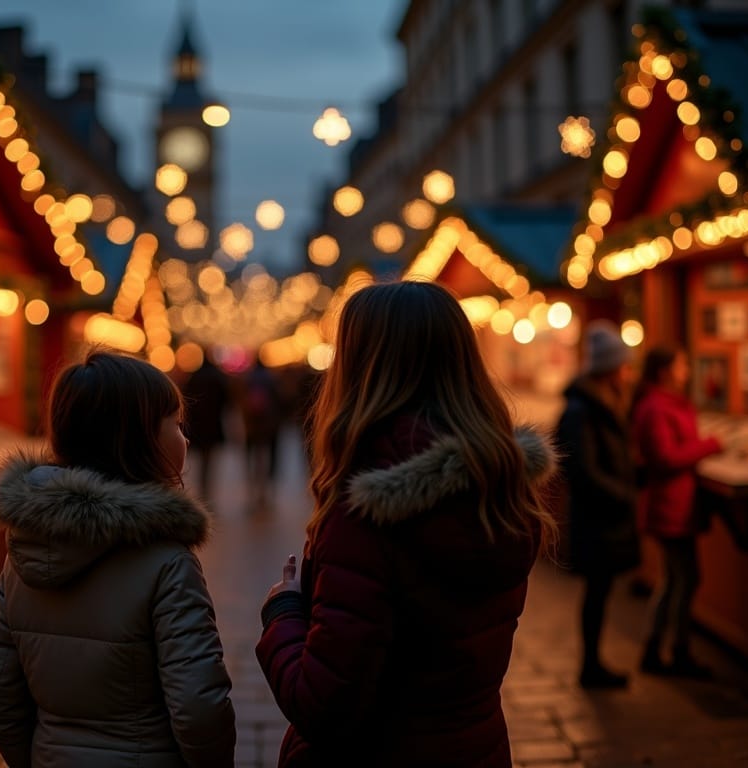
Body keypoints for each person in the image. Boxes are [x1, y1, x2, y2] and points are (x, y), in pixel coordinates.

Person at [255, 281, 559, 767]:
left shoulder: (367, 518)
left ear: (358, 371)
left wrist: (283, 614)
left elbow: (324, 706)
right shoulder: (501, 491)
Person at [0, 347, 236, 768]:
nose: (185, 438)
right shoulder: (167, 562)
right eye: (177, 424)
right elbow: (199, 709)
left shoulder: (21, 554)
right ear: (138, 440)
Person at [555, 319, 640, 689]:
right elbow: (584, 470)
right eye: (623, 365)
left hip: (602, 517)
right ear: (609, 368)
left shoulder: (600, 404)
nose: (628, 373)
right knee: (597, 591)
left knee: (600, 591)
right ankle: (591, 665)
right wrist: (623, 494)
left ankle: (593, 663)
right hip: (597, 518)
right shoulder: (582, 410)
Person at [632, 345, 722, 678]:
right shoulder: (657, 408)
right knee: (684, 578)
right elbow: (665, 458)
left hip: (678, 504)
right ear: (664, 371)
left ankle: (657, 648)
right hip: (670, 506)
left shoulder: (668, 403)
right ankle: (674, 651)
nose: (687, 371)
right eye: (682, 365)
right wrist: (711, 445)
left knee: (676, 579)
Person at [181, 353, 231, 502]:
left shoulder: (195, 377)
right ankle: (207, 490)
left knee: (200, 461)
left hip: (198, 426)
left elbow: (187, 400)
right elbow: (226, 400)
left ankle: (203, 489)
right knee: (209, 460)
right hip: (213, 425)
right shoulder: (217, 377)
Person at [238, 358, 283, 505]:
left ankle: (253, 488)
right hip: (268, 425)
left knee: (253, 457)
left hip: (252, 425)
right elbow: (279, 399)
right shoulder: (271, 377)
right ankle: (265, 491)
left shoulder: (248, 378)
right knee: (267, 456)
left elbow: (240, 399)